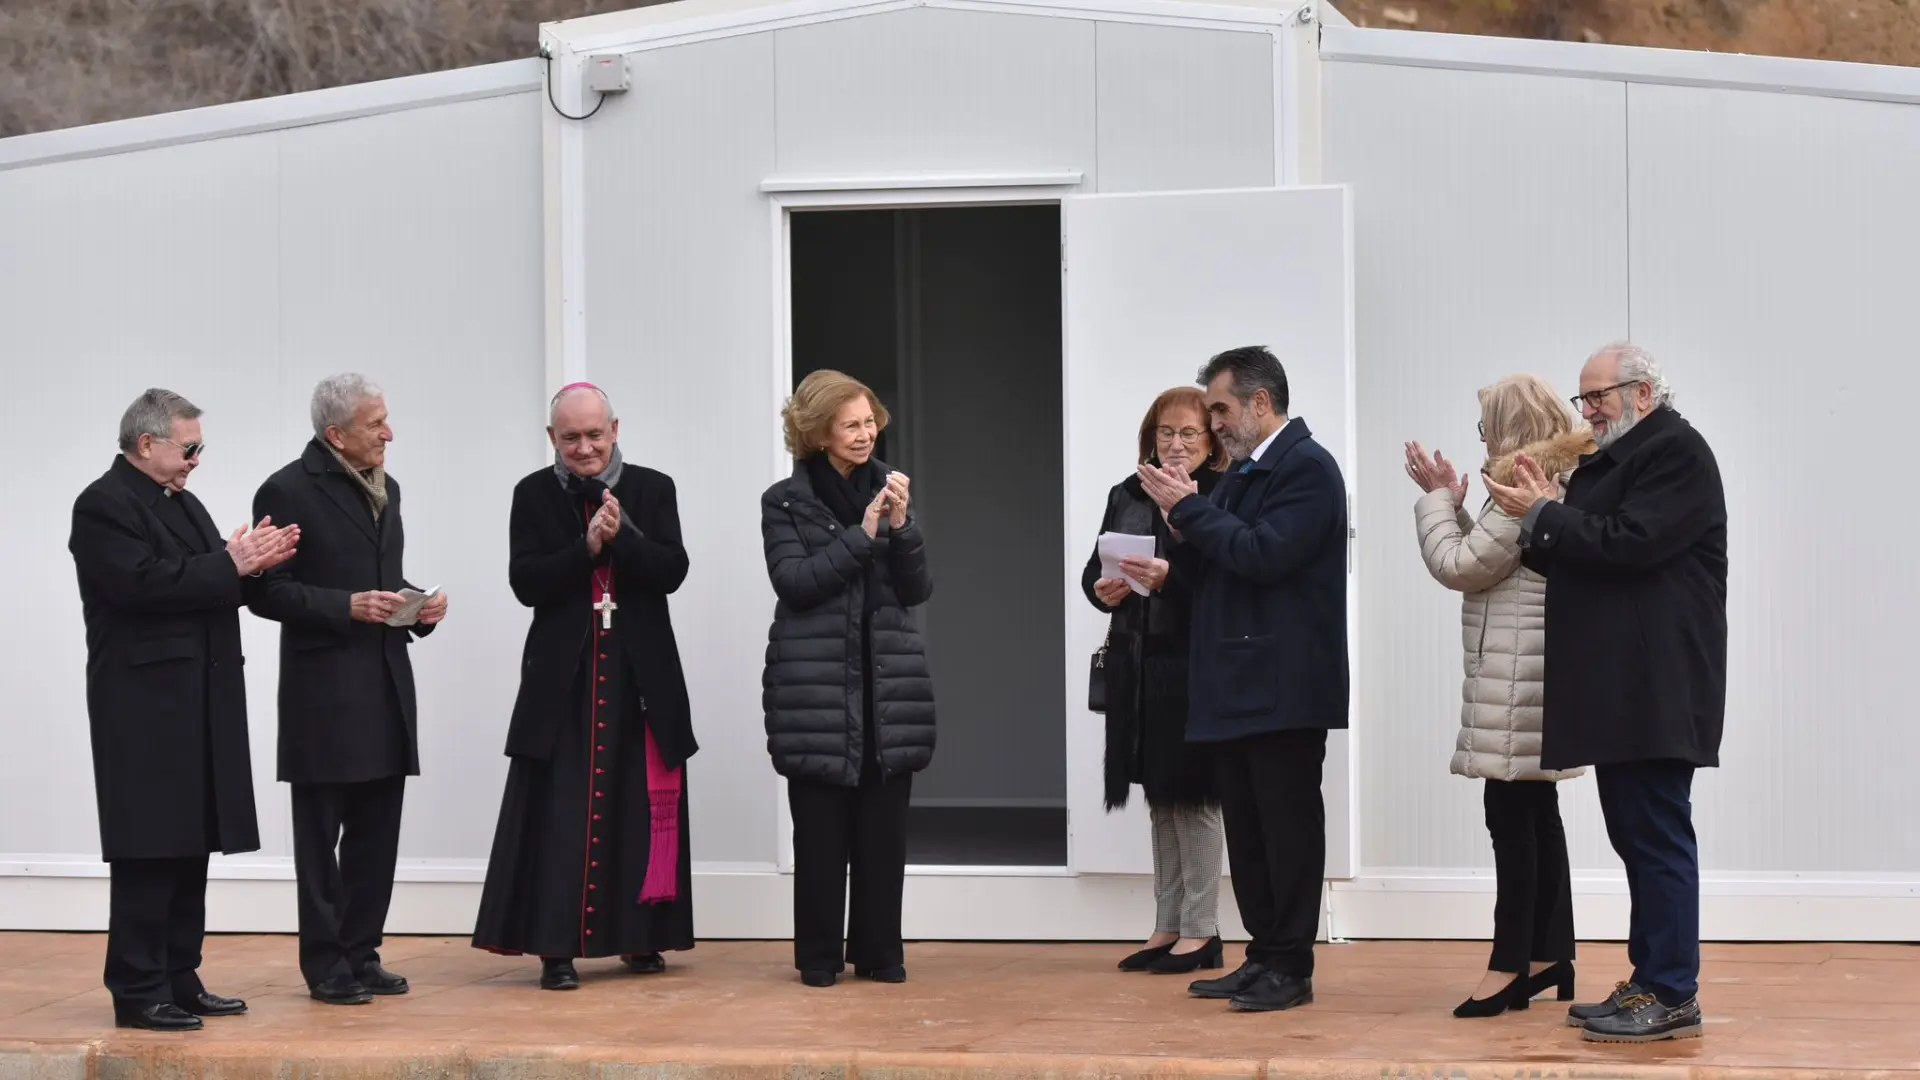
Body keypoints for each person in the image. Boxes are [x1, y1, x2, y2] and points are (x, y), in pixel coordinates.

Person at [1485, 343, 1727, 1044]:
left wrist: (1547, 514)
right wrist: (1535, 514)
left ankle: (1673, 993)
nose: (1586, 411)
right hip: (1624, 684)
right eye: (1583, 398)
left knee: (1655, 838)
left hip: (1657, 681)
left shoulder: (1676, 452)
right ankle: (1649, 980)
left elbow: (1629, 543)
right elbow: (1576, 547)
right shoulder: (1617, 458)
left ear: (1644, 394)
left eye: (1600, 398)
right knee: (1637, 836)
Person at [68, 388, 298, 1031]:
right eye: (189, 446)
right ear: (147, 444)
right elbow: (140, 584)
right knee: (149, 846)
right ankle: (138, 988)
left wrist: (254, 565)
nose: (197, 459)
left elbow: (209, 575)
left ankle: (179, 974)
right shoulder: (103, 505)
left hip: (198, 698)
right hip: (143, 706)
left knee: (189, 841)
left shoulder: (183, 503)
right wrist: (230, 563)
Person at [1136, 345, 1347, 1014]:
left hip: (1283, 685)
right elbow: (1220, 571)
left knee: (1285, 829)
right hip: (1234, 684)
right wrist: (1171, 570)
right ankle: (1263, 956)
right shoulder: (1245, 474)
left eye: (1221, 408)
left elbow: (1263, 555)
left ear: (1261, 403)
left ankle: (1292, 965)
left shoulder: (1306, 470)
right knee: (1250, 832)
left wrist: (1189, 512)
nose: (1213, 421)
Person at [472, 382, 697, 991]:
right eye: (570, 437)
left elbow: (672, 572)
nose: (584, 447)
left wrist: (626, 538)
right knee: (561, 815)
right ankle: (556, 948)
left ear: (615, 430)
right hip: (563, 683)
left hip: (637, 678)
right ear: (552, 439)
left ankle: (642, 939)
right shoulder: (533, 494)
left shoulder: (653, 488)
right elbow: (526, 583)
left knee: (638, 806)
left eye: (595, 434)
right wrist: (587, 547)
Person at [249, 374, 446, 1005]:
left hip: (386, 686)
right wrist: (345, 607)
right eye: (375, 423)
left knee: (376, 834)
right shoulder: (286, 489)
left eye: (386, 419)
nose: (389, 433)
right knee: (321, 838)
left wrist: (415, 607)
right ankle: (326, 964)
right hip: (324, 697)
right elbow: (263, 591)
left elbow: (376, 580)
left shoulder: (389, 488)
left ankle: (362, 953)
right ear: (336, 434)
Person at [1403, 374, 1594, 1018]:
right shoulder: (1543, 481)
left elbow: (1459, 567)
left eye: (1487, 426)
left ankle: (1509, 965)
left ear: (1510, 430)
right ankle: (1550, 955)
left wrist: (1434, 501)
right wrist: (1457, 508)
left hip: (1519, 681)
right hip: (1530, 677)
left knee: (1511, 823)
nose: (1482, 438)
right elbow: (1486, 559)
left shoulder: (1520, 486)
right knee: (1537, 818)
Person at [761, 369, 934, 989]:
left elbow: (915, 590)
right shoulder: (783, 501)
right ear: (817, 432)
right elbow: (796, 584)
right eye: (850, 424)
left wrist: (904, 528)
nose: (865, 435)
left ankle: (881, 952)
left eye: (869, 422)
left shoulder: (889, 491)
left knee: (884, 835)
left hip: (886, 685)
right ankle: (818, 957)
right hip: (816, 691)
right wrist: (863, 537)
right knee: (822, 834)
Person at [1083, 386, 1228, 976]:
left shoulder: (1222, 493)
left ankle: (1203, 930)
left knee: (1193, 799)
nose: (1174, 445)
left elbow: (1228, 581)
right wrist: (1102, 589)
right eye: (1165, 433)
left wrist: (1174, 578)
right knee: (1159, 797)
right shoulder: (1127, 491)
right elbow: (1097, 570)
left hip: (1194, 666)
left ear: (1211, 440)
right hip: (1137, 663)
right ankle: (1167, 924)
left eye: (1188, 434)